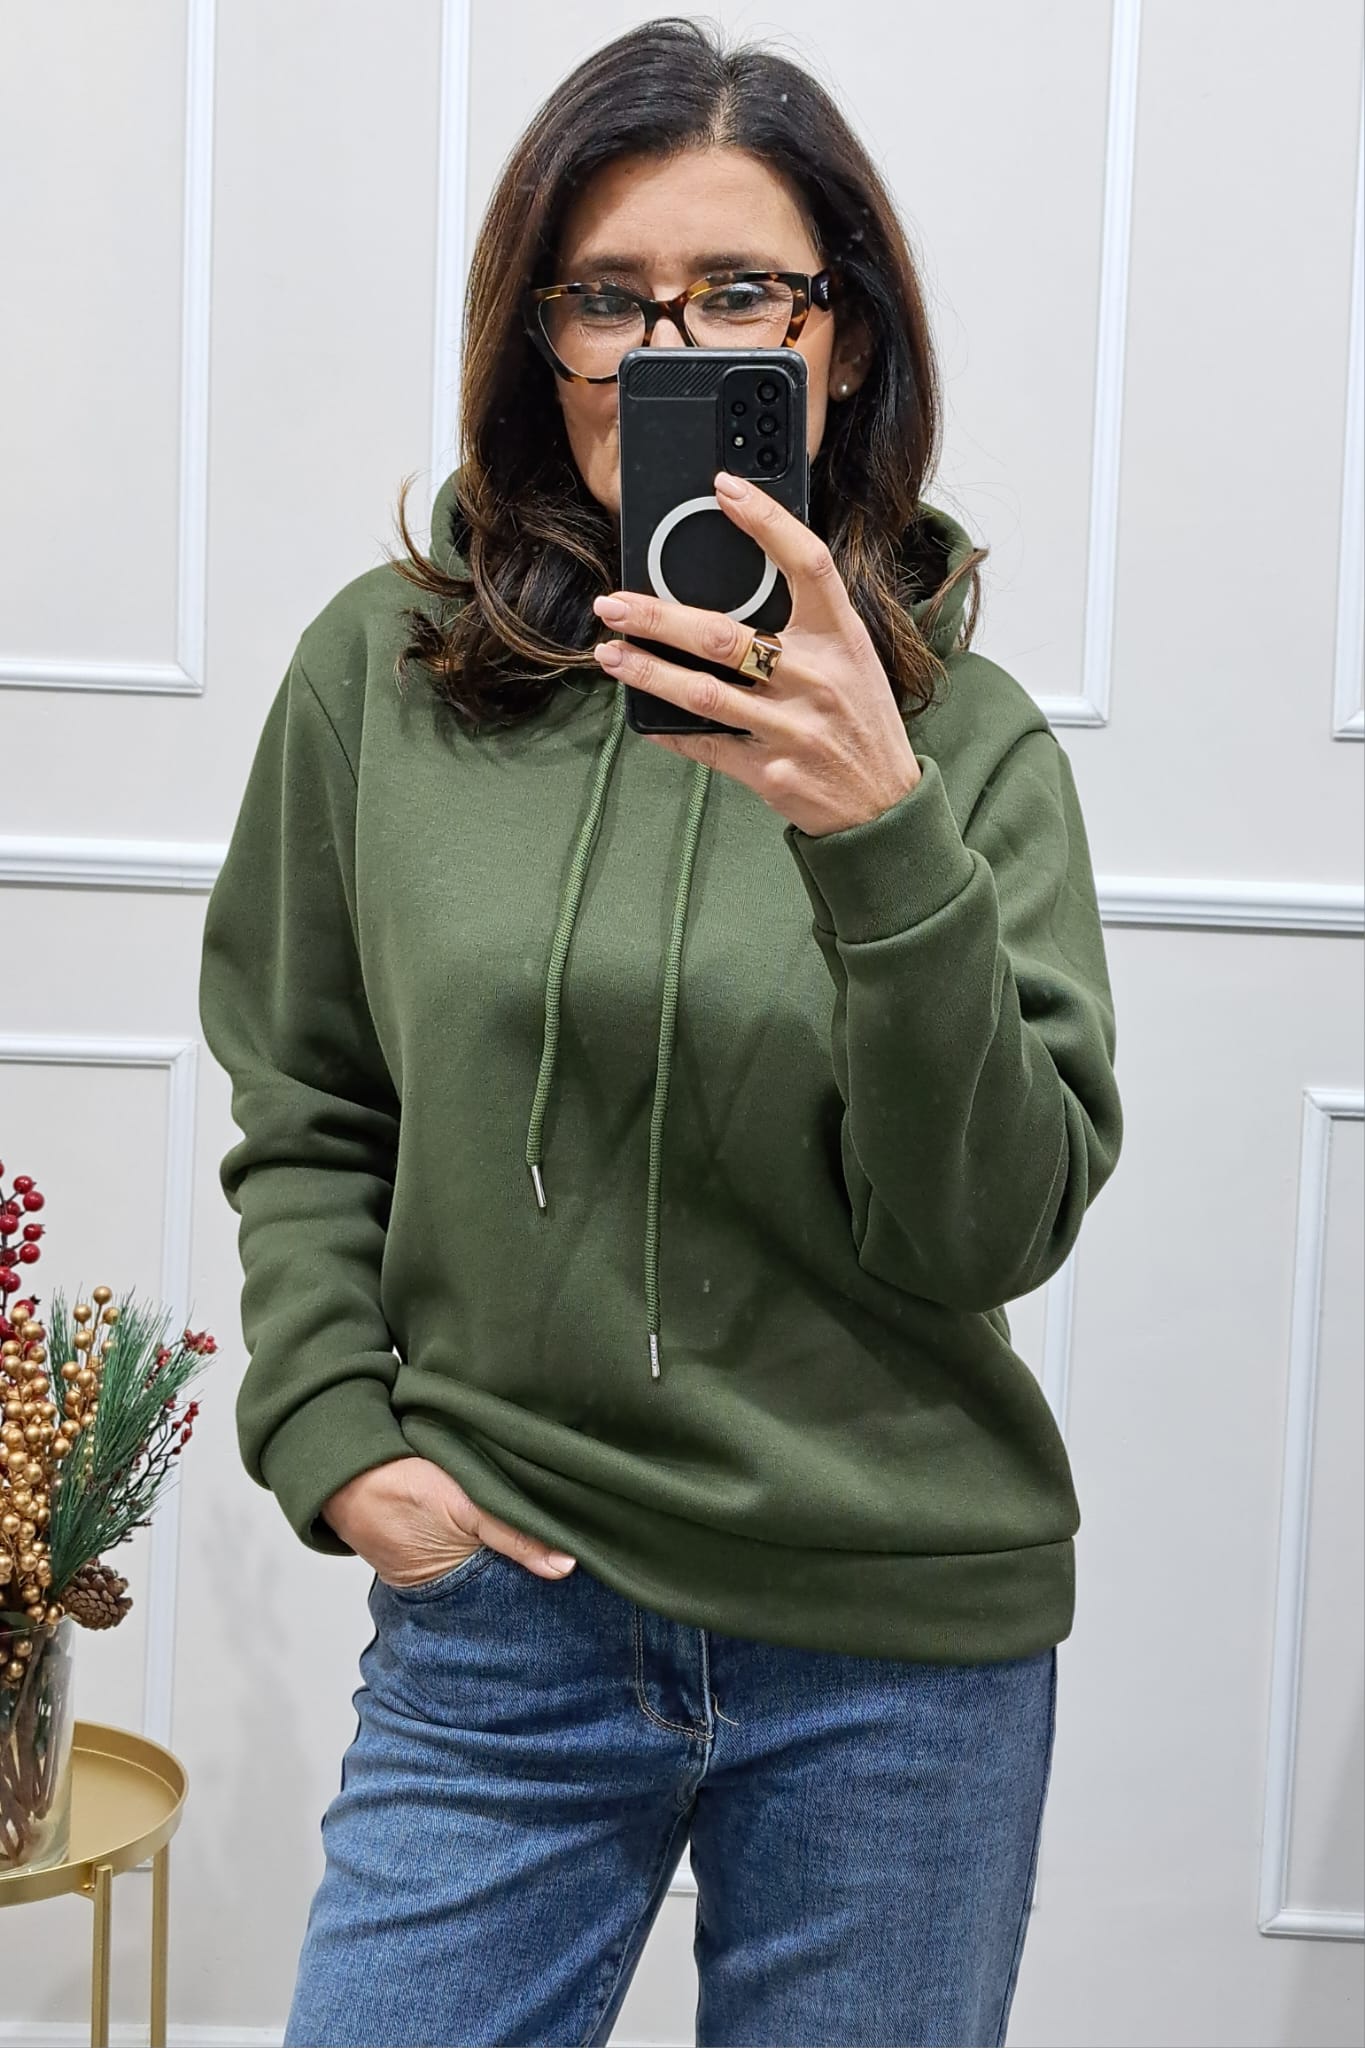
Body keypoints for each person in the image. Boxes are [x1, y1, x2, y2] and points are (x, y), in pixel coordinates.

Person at [198, 17, 1124, 2046]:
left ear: (839, 342)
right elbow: (309, 1095)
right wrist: (337, 1438)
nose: (661, 349)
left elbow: (989, 1229)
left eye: (736, 294)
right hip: (502, 1615)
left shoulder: (960, 746)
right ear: (536, 337)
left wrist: (876, 835)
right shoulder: (383, 676)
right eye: (606, 298)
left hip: (893, 1650)